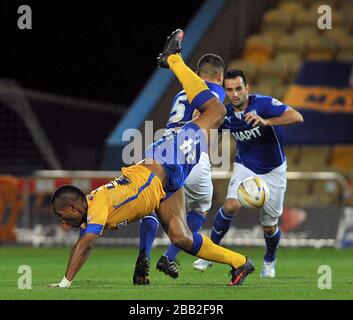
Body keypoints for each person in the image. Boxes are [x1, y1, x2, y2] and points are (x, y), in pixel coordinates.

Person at [48, 30, 254, 288]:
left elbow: (86, 244)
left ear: (73, 209)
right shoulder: (90, 212)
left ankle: (173, 59)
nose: (63, 224)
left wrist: (65, 283)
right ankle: (240, 262)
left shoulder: (97, 208)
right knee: (180, 237)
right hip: (164, 179)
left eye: (62, 217)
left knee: (217, 110)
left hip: (166, 158)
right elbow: (83, 239)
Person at [193, 69, 304, 277]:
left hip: (274, 170)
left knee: (269, 226)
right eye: (229, 90)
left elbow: (297, 117)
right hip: (245, 165)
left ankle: (270, 259)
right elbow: (210, 130)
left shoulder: (263, 104)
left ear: (247, 88)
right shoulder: (225, 114)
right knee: (230, 205)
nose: (234, 94)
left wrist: (266, 121)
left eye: (238, 89)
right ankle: (208, 254)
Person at [133, 53, 225, 285]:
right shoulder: (214, 91)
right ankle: (169, 257)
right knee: (201, 208)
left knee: (154, 204)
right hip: (190, 153)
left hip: (162, 150)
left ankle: (144, 254)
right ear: (220, 76)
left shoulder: (181, 93)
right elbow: (199, 115)